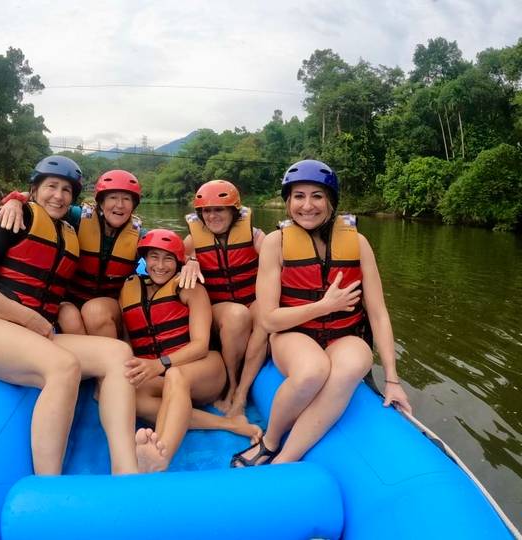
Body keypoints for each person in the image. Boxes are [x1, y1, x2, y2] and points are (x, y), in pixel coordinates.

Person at [0, 156, 139, 475]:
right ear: (34, 190)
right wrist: (15, 199)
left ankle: (126, 467)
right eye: (51, 186)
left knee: (118, 353)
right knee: (64, 366)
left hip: (31, 336)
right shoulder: (14, 217)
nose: (59, 195)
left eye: (67, 190)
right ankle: (48, 481)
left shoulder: (69, 228)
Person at [230, 159, 412, 468]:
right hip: (293, 333)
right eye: (298, 196)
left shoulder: (358, 243)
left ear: (331, 201)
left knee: (351, 366)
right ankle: (270, 441)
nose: (307, 205)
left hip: (344, 335)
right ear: (288, 202)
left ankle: (285, 459)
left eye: (317, 196)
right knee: (313, 370)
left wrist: (392, 379)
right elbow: (269, 319)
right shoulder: (276, 243)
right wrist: (324, 306)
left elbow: (378, 313)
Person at [120, 229, 261, 472]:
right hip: (163, 375)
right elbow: (128, 340)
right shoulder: (129, 288)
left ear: (178, 262)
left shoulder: (190, 288)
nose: (160, 266)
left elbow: (200, 345)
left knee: (177, 376)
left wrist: (159, 364)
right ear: (145, 259)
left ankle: (160, 455)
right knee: (133, 396)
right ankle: (229, 424)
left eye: (168, 259)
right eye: (154, 257)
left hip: (204, 370)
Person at [0, 169, 143, 338]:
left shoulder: (140, 235)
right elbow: (47, 202)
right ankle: (88, 358)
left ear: (133, 205)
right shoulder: (79, 217)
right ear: (101, 202)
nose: (120, 205)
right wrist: (16, 200)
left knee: (94, 311)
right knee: (67, 315)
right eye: (113, 198)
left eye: (126, 199)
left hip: (109, 306)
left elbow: (168, 252)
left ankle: (112, 357)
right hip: (72, 299)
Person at [179, 180, 268, 417]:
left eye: (219, 209)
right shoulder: (193, 241)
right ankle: (231, 385)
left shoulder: (255, 236)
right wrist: (189, 261)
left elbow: (277, 260)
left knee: (265, 312)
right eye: (206, 211)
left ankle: (240, 394)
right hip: (220, 310)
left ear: (233, 211)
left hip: (251, 301)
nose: (212, 216)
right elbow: (169, 264)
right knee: (237, 315)